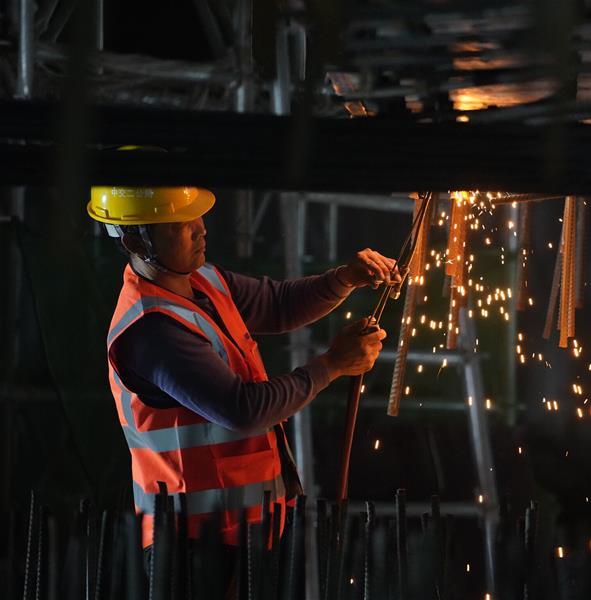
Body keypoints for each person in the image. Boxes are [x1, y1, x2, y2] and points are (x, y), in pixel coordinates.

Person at [87, 185, 397, 554]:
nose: (201, 228)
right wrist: (331, 365)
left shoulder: (204, 282)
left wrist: (344, 278)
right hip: (193, 545)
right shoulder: (152, 330)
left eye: (197, 215)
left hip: (246, 532)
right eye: (180, 224)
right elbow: (242, 409)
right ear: (138, 243)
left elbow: (279, 305)